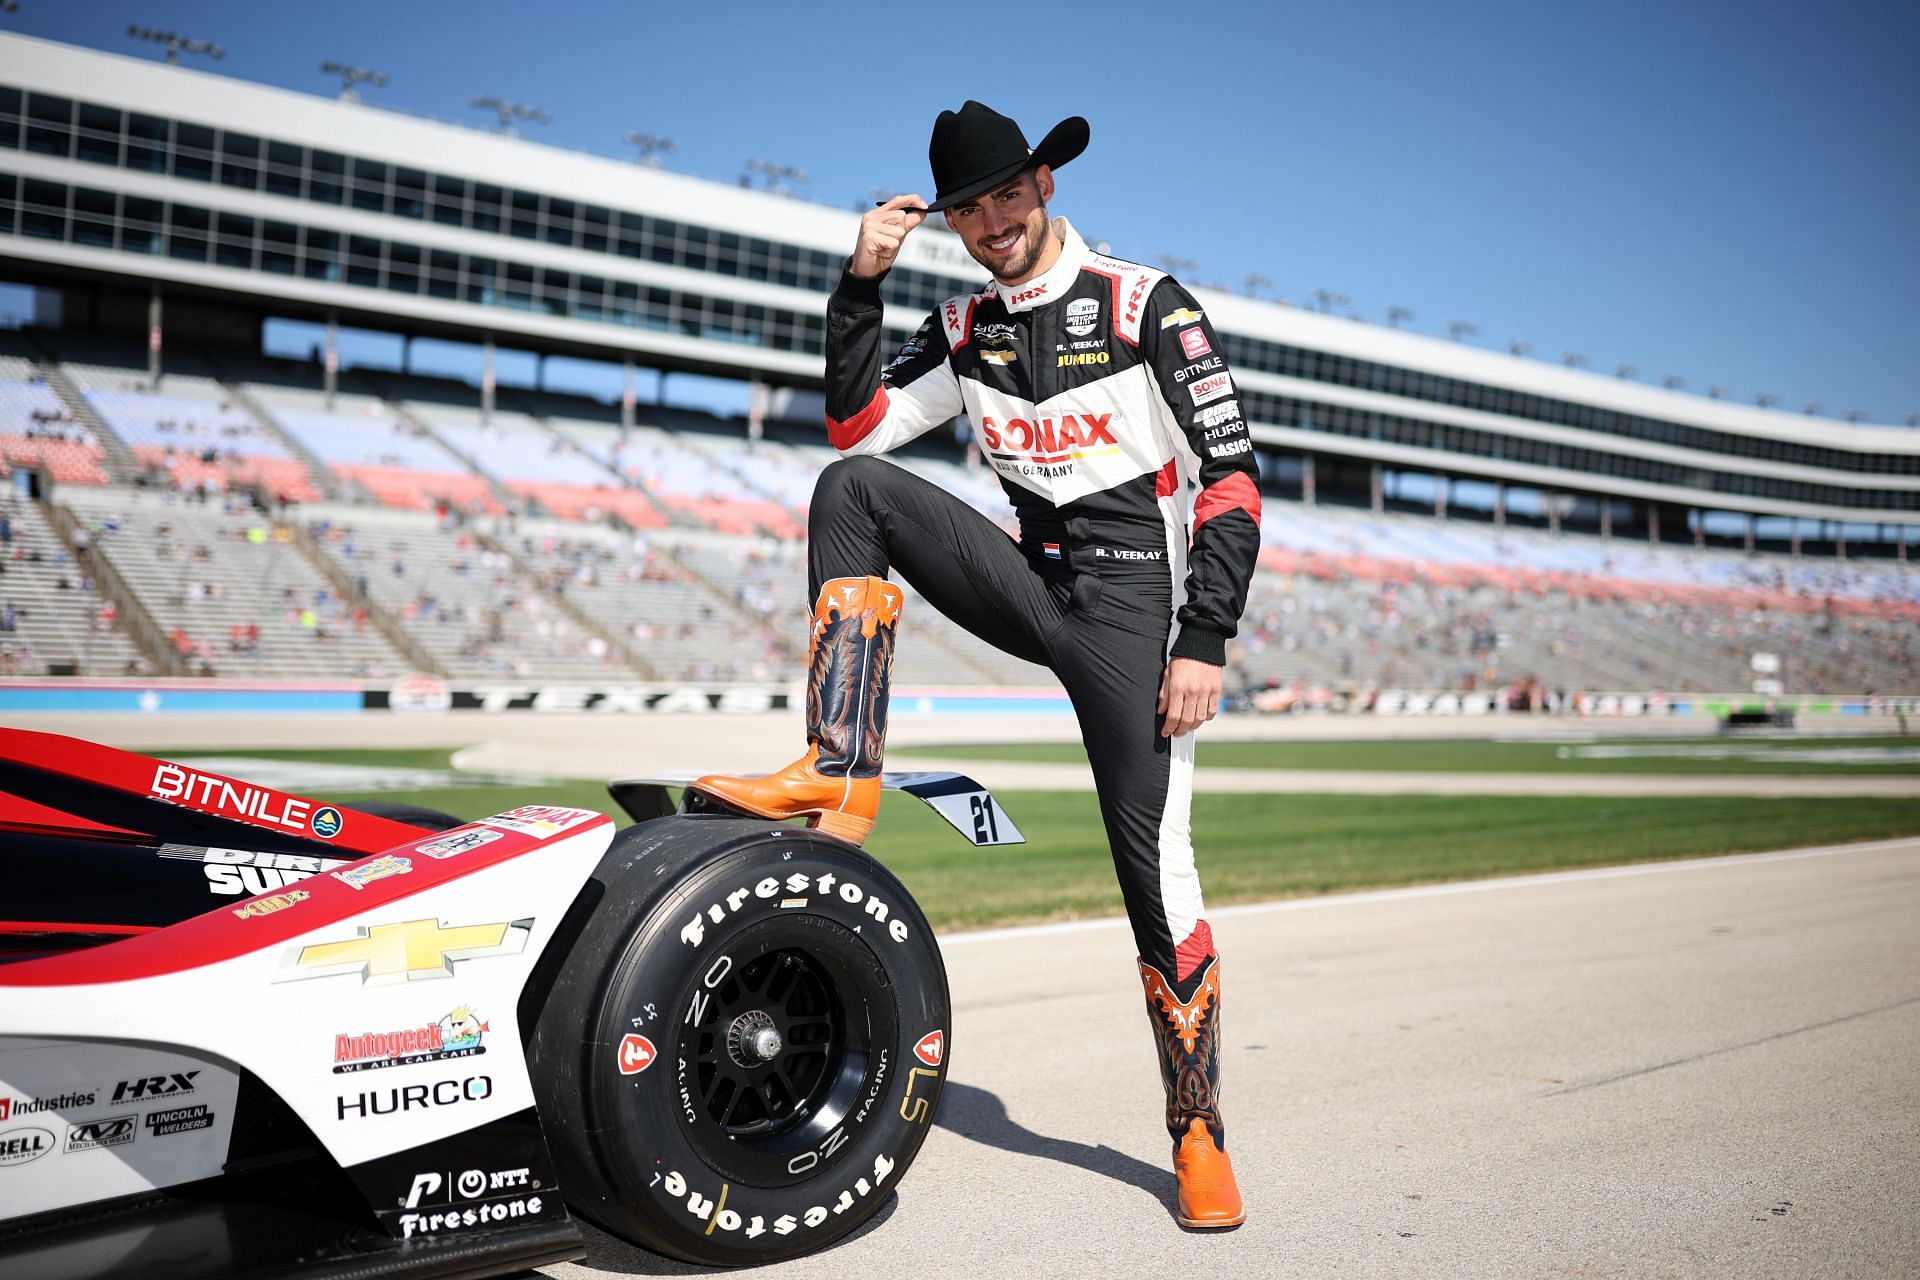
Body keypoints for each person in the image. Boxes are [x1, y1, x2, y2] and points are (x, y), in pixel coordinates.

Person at [691, 101, 1260, 1228]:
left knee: (1155, 873)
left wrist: (1203, 637)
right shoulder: (964, 328)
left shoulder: (1148, 303)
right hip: (1031, 581)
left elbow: (1231, 479)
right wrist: (859, 283)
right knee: (847, 491)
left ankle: (1197, 1131)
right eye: (968, 208)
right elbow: (857, 429)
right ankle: (841, 764)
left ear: (1044, 188)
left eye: (1008, 195)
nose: (993, 221)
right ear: (947, 221)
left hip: (1136, 612)